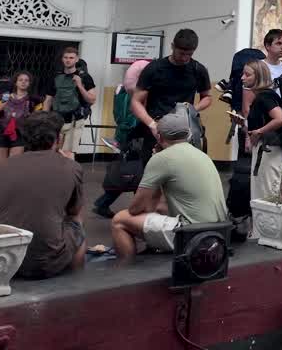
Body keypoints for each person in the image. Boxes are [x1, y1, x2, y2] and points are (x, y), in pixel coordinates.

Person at [0, 111, 85, 279]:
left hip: (4, 261)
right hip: (48, 262)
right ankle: (75, 281)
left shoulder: (0, 169)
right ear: (58, 139)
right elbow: (74, 212)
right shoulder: (72, 167)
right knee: (76, 224)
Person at [110, 110, 228, 261]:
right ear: (188, 134)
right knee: (160, 207)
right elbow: (154, 204)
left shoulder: (161, 159)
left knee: (120, 220)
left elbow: (135, 208)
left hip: (191, 234)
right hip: (217, 231)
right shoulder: (202, 155)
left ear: (159, 136)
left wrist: (156, 159)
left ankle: (125, 270)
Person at [132, 29, 212, 163]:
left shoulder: (198, 70)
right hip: (157, 126)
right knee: (153, 170)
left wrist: (192, 109)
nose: (185, 58)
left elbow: (207, 97)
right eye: (181, 53)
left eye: (189, 54)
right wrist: (151, 124)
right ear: (172, 46)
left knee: (183, 171)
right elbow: (136, 102)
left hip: (184, 129)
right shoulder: (154, 68)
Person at [93, 60, 149, 219]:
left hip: (125, 135)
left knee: (128, 173)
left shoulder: (120, 90)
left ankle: (103, 203)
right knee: (134, 174)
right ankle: (136, 210)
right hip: (134, 137)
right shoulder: (135, 93)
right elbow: (131, 117)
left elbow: (119, 115)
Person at [243, 60, 282, 203]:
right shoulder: (264, 96)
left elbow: (281, 118)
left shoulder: (265, 97)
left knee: (265, 195)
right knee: (263, 193)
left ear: (259, 76)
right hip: (266, 149)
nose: (242, 78)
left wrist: (259, 131)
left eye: (247, 74)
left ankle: (267, 225)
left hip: (269, 150)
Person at [43, 48, 97, 151]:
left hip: (74, 120)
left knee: (68, 153)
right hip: (56, 120)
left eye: (71, 58)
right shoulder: (56, 76)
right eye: (66, 57)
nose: (68, 60)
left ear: (77, 59)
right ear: (62, 59)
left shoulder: (84, 77)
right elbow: (48, 100)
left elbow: (92, 100)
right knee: (52, 151)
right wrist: (45, 119)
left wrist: (80, 85)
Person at [0, 71, 33, 168]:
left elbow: (38, 119)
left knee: (14, 166)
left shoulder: (33, 99)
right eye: (21, 80)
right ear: (15, 82)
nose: (23, 82)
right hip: (1, 131)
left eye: (26, 80)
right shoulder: (4, 97)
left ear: (30, 83)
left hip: (20, 133)